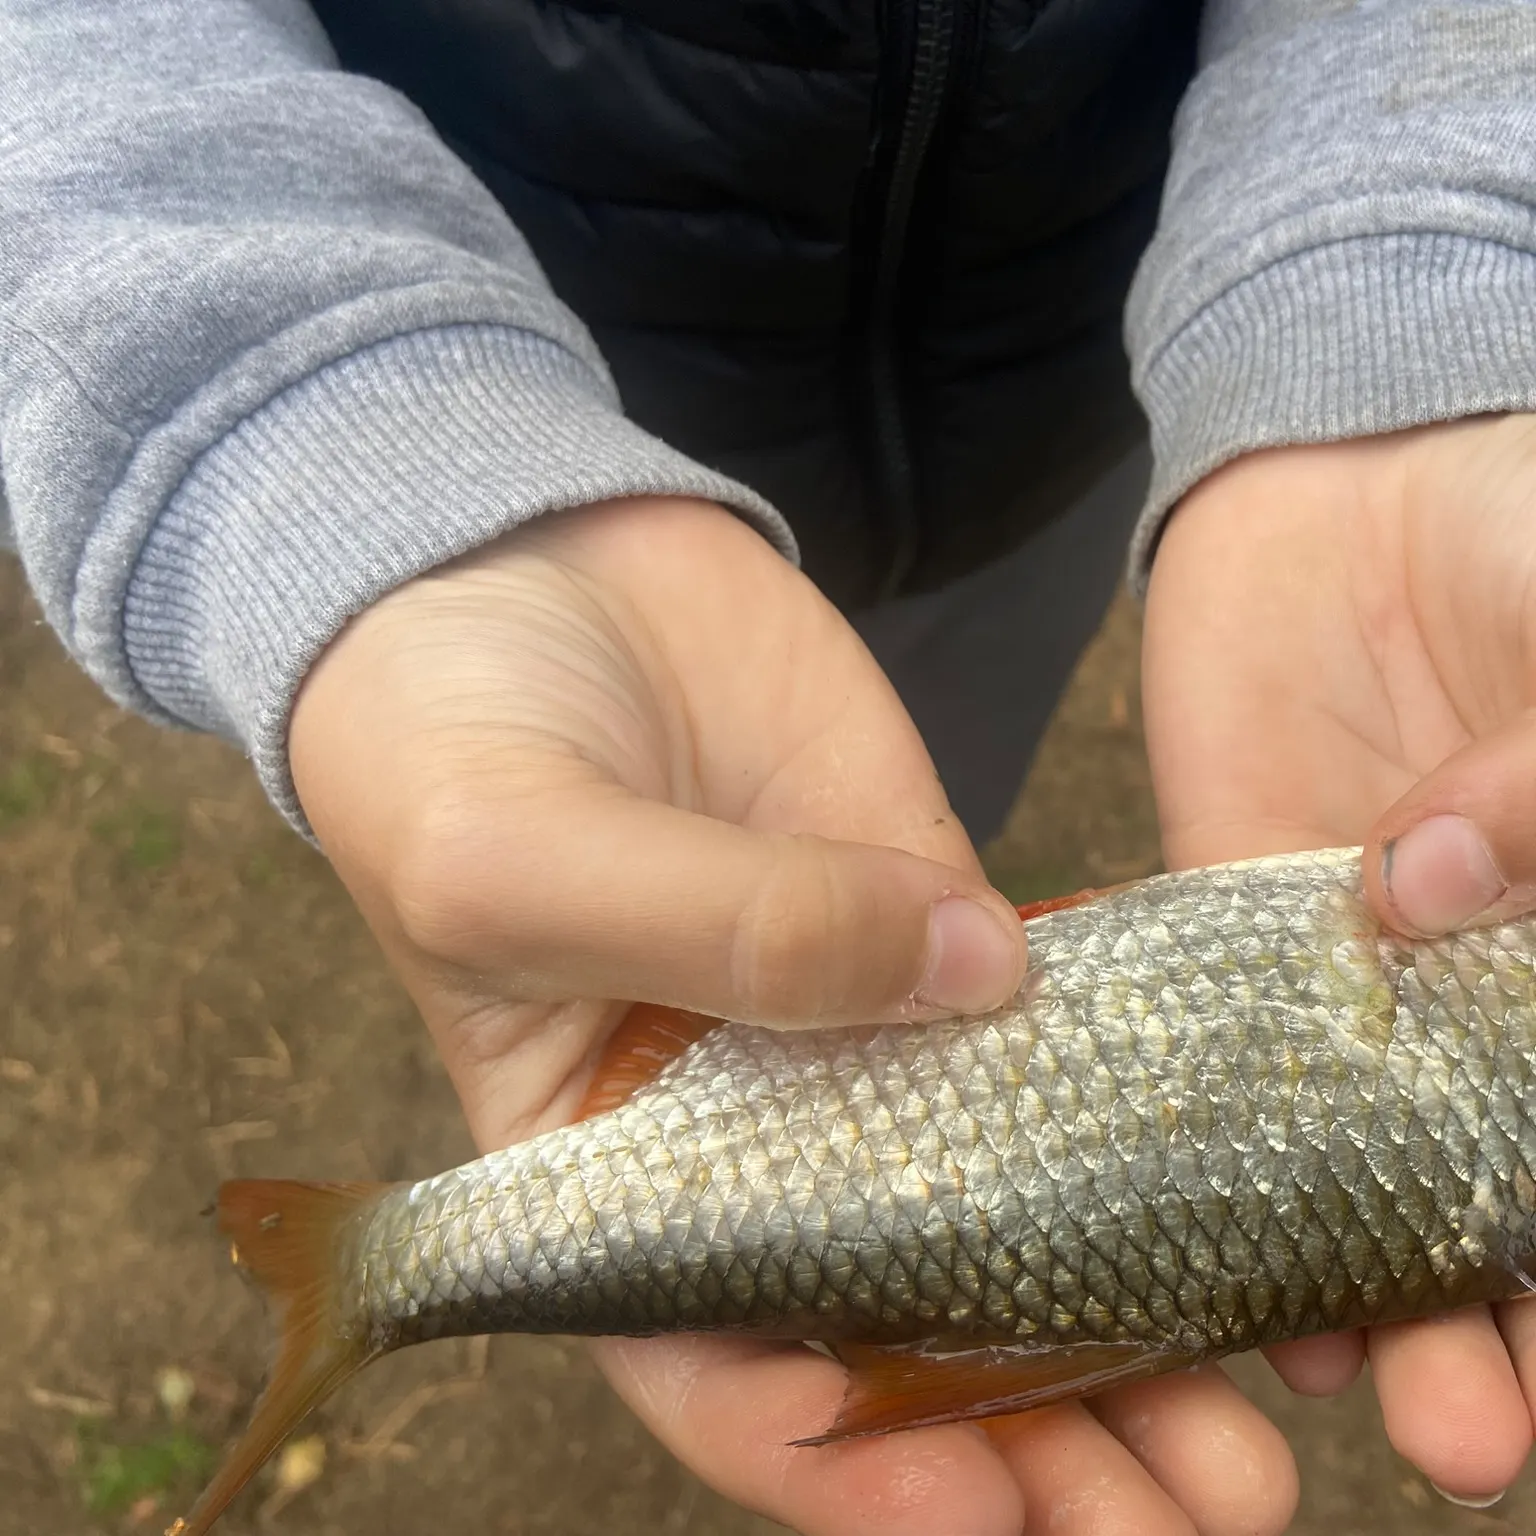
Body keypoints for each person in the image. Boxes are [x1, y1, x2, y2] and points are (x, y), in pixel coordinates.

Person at [5, 1, 1536, 1531]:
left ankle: (401, 1266)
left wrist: (1378, 279)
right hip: (565, 335)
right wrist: (302, 415)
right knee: (862, 886)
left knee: (901, 849)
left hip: (1037, 410)